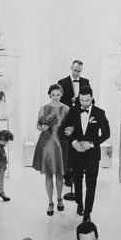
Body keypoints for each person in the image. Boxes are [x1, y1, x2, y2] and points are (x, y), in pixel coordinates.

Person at [60, 86, 111, 219]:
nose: (84, 103)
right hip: (76, 152)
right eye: (81, 100)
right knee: (77, 180)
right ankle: (79, 203)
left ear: (92, 98)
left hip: (92, 154)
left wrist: (92, 144)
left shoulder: (100, 113)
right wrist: (74, 143)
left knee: (91, 183)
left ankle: (87, 211)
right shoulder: (73, 111)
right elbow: (66, 131)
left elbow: (107, 134)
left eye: (87, 100)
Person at [32, 82, 68, 215]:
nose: (56, 97)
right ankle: (50, 202)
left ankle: (59, 198)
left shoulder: (66, 109)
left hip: (60, 144)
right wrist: (43, 127)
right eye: (53, 95)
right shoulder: (44, 108)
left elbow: (69, 126)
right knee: (48, 174)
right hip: (46, 144)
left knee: (59, 174)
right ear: (49, 95)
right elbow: (37, 125)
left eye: (58, 95)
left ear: (61, 94)